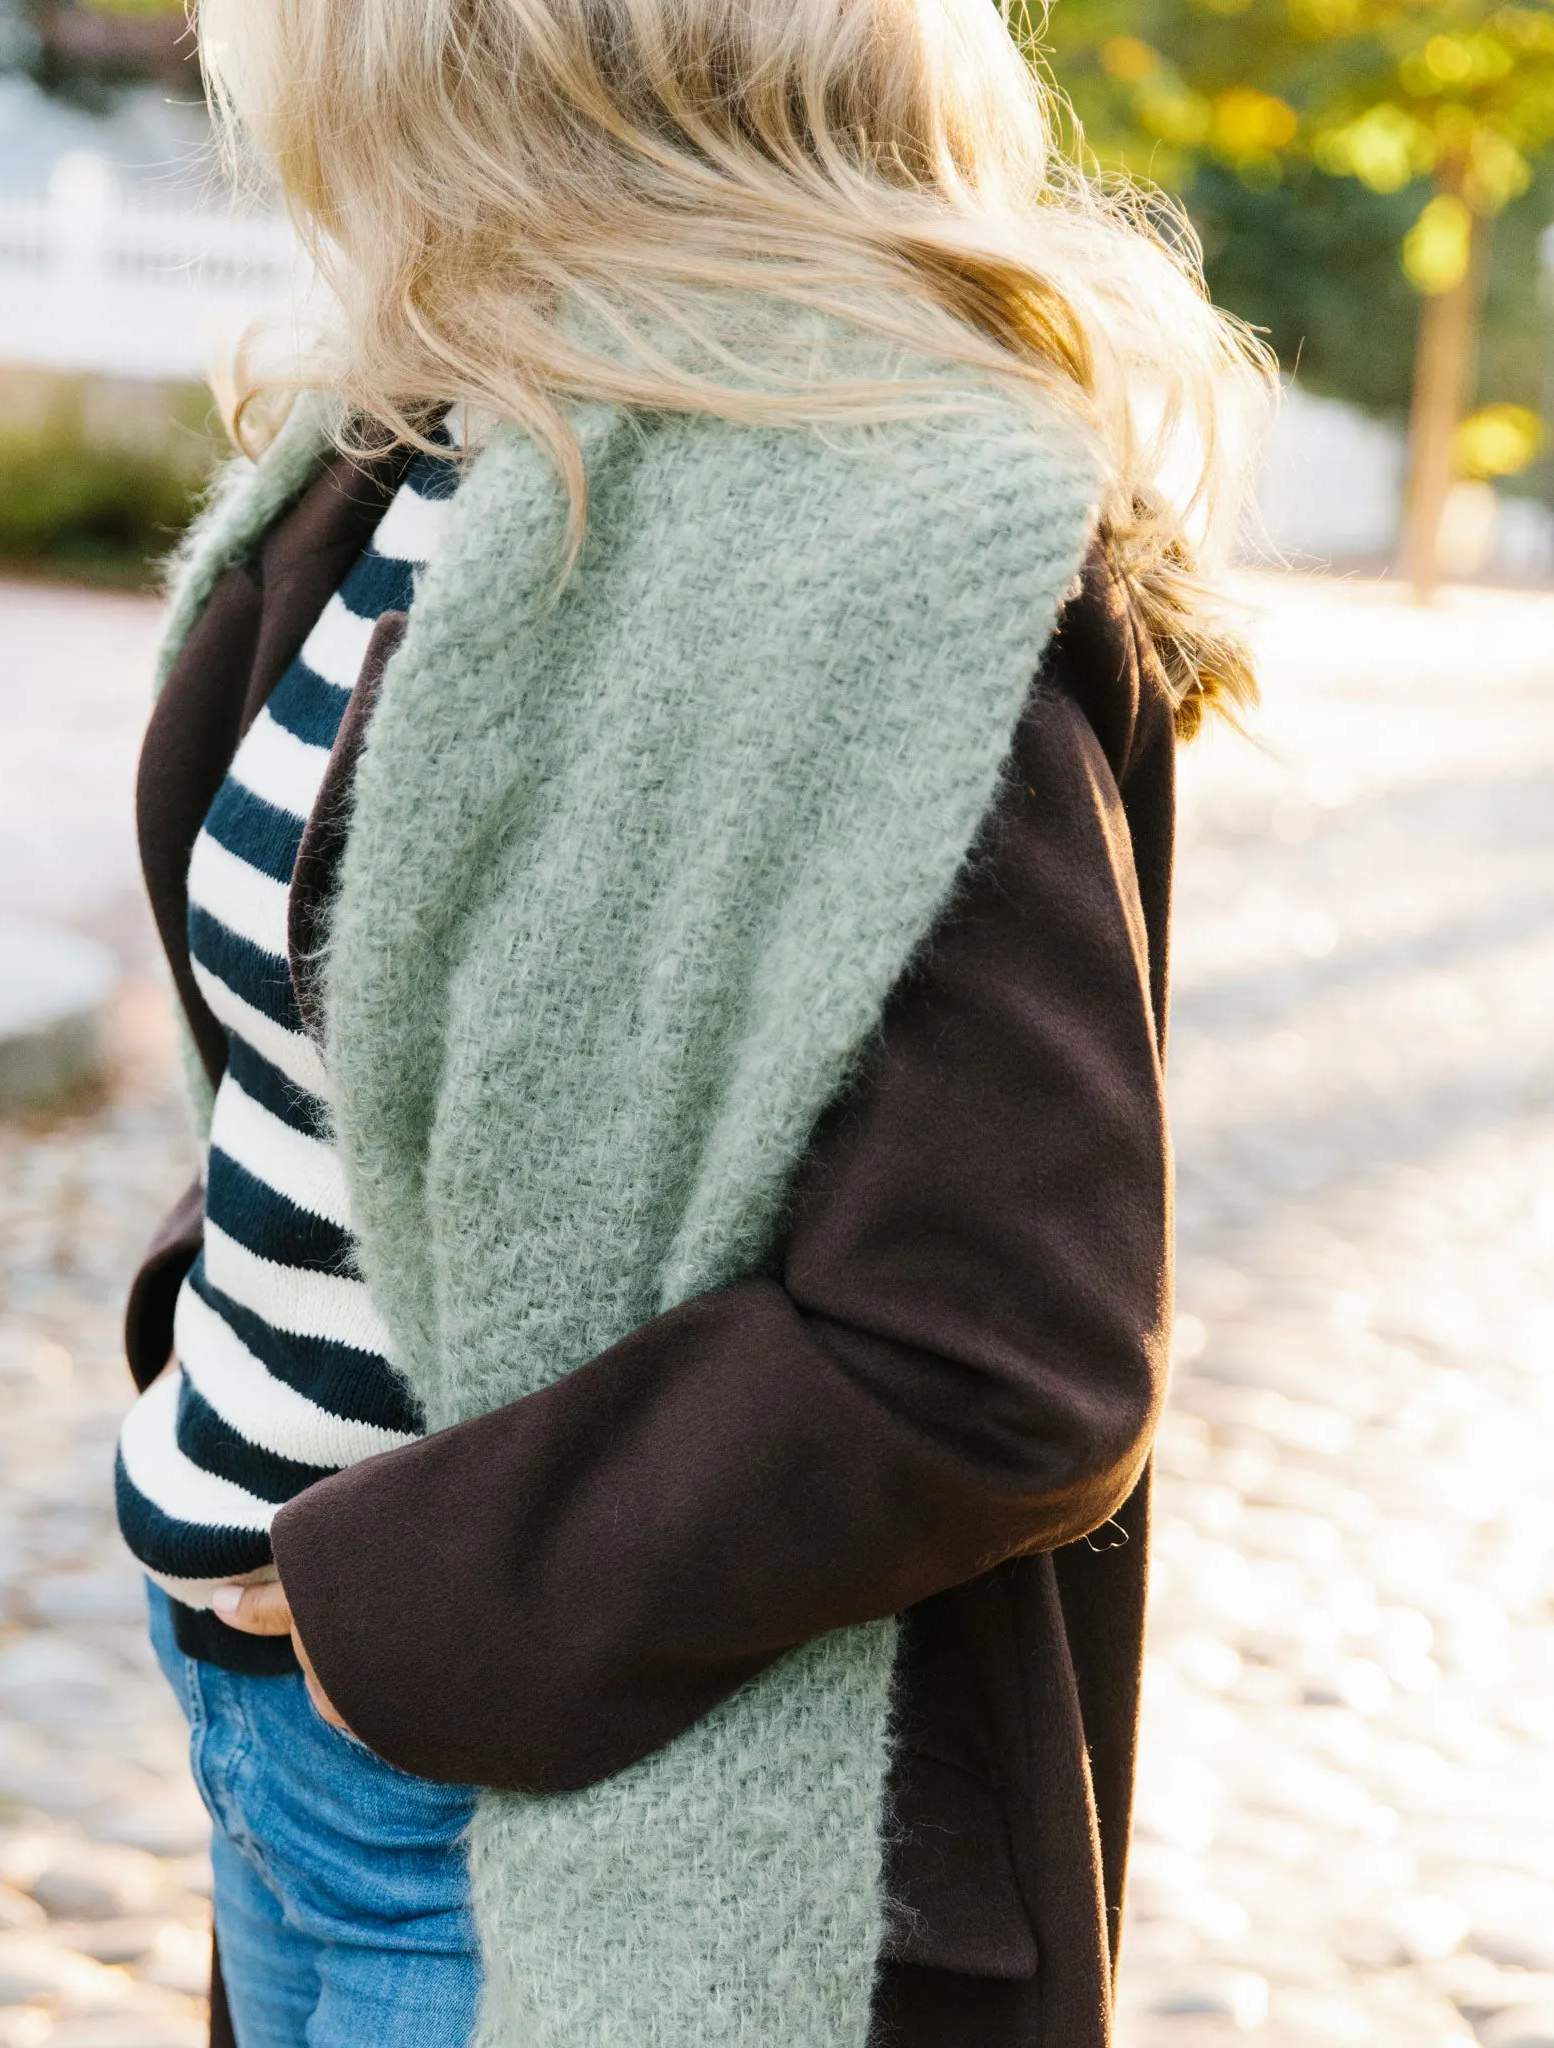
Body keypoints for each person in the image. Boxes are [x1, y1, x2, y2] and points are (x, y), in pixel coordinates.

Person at [115, 2, 1271, 2043]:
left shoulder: (891, 541)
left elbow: (998, 1350)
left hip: (552, 1828)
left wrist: (387, 1590)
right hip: (278, 1748)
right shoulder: (429, 430)